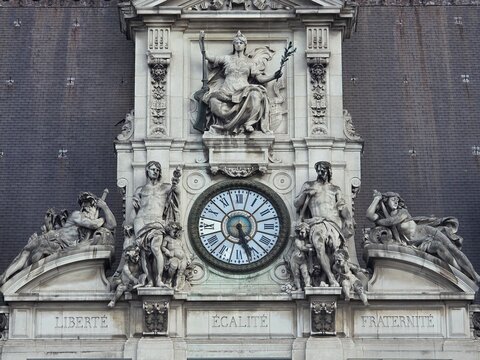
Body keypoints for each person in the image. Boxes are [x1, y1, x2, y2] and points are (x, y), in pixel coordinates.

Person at [0, 192, 116, 285]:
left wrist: (105, 208)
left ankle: (7, 276)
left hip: (59, 245)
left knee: (27, 256)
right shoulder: (77, 215)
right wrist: (101, 220)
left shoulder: (90, 223)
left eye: (89, 206)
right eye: (84, 206)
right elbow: (93, 225)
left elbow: (112, 225)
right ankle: (6, 276)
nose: (85, 208)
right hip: (52, 238)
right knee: (26, 252)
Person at [366, 190, 480, 283]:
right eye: (393, 199)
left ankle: (473, 275)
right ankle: (459, 273)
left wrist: (380, 221)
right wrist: (376, 199)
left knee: (452, 248)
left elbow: (390, 221)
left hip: (427, 232)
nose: (396, 202)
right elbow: (369, 215)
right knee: (440, 248)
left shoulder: (402, 212)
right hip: (416, 242)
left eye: (397, 200)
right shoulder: (385, 216)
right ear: (386, 201)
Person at [201, 30, 282, 134]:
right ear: (233, 45)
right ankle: (228, 124)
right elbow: (208, 56)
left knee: (255, 95)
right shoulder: (226, 59)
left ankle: (248, 123)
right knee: (212, 101)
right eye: (236, 43)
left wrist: (274, 76)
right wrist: (201, 42)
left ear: (245, 45)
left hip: (244, 90)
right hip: (226, 90)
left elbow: (260, 79)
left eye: (241, 43)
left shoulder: (250, 62)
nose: (238, 45)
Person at [294, 161, 354, 287]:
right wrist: (305, 194)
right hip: (317, 222)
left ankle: (325, 277)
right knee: (319, 247)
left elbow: (342, 208)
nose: (321, 173)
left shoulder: (335, 189)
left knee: (333, 248)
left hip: (333, 223)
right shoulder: (309, 185)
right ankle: (331, 278)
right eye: (319, 171)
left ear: (329, 171)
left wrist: (348, 219)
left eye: (323, 170)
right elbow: (296, 204)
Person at [131, 161, 180, 287]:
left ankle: (158, 280)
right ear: (147, 170)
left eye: (157, 170)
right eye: (152, 169)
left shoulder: (165, 187)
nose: (155, 171)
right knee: (143, 251)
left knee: (155, 248)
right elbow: (134, 210)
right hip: (141, 220)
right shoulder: (140, 190)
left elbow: (176, 192)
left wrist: (175, 181)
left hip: (157, 220)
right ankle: (149, 280)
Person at [161, 222, 192, 291]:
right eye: (174, 232)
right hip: (174, 257)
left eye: (177, 232)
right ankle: (169, 279)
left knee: (180, 273)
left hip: (183, 259)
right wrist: (167, 252)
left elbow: (184, 250)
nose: (176, 234)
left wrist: (188, 258)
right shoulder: (167, 238)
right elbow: (163, 247)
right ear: (169, 231)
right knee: (173, 267)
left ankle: (176, 286)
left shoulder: (179, 240)